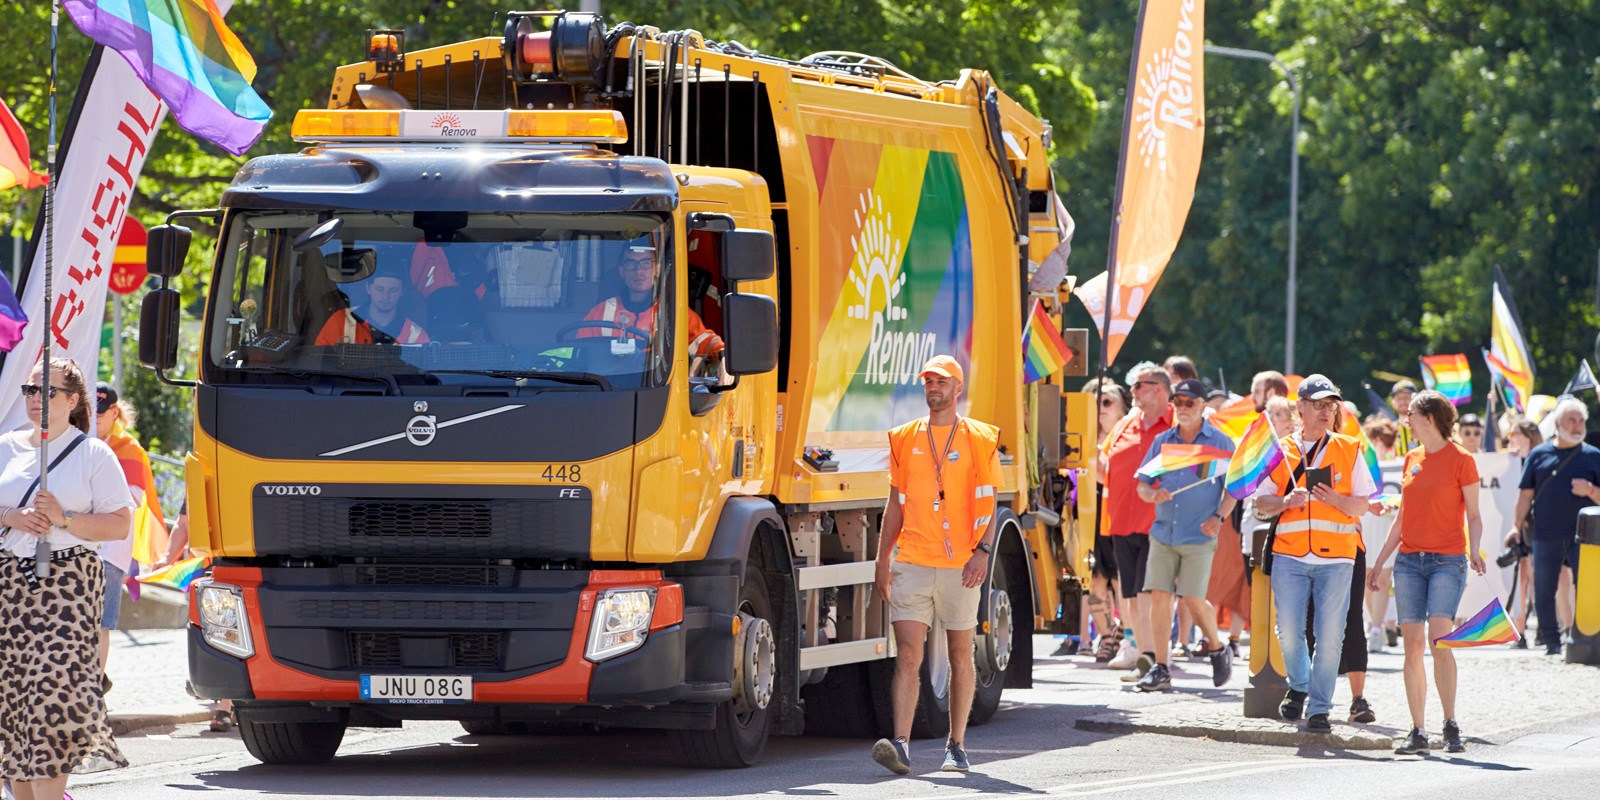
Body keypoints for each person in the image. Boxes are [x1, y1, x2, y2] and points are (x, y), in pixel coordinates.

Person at [0, 358, 135, 799]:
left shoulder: (94, 453)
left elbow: (118, 524)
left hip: (67, 587)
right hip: (7, 586)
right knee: (11, 700)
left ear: (73, 399)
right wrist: (11, 516)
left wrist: (65, 517)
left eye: (48, 391)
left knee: (52, 699)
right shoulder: (5, 446)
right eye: (31, 391)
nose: (37, 399)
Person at [872, 355, 1002, 775]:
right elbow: (894, 504)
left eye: (941, 381)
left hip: (960, 564)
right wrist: (881, 559)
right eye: (928, 381)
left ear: (957, 388)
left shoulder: (979, 439)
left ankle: (957, 744)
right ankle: (901, 743)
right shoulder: (904, 438)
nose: (933, 388)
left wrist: (983, 551)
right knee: (908, 654)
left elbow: (991, 501)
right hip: (911, 559)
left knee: (960, 653)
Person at [1252, 374, 1377, 734]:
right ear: (1301, 408)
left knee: (1330, 635)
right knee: (1288, 631)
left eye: (1331, 405)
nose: (1327, 411)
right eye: (1319, 405)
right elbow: (1261, 501)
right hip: (1290, 556)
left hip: (1337, 558)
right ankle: (1300, 685)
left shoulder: (1348, 448)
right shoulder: (1280, 450)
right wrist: (1285, 501)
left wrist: (1336, 499)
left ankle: (1319, 707)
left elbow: (1364, 505)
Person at [1369, 390, 1485, 754]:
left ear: (1430, 419)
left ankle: (1450, 723)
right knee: (1413, 646)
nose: (1406, 420)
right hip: (1408, 562)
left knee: (1439, 639)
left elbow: (1474, 515)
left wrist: (1473, 548)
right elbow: (1402, 517)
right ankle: (1417, 730)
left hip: (1447, 560)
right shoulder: (1411, 458)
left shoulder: (1462, 460)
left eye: (1412, 415)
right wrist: (1380, 561)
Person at [1133, 379, 1236, 691]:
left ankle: (1218, 647)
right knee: (1160, 597)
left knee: (1191, 599)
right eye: (1178, 402)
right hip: (1164, 532)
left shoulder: (1220, 443)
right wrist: (1152, 495)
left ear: (1203, 406)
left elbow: (1234, 488)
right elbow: (1142, 485)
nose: (1182, 407)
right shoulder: (1163, 441)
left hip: (1199, 534)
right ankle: (1161, 667)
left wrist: (1219, 517)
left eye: (1189, 402)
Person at [1506, 396, 1600, 656]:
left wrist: (1590, 490)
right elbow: (1525, 495)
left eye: (1581, 420)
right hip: (1545, 533)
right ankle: (1550, 641)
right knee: (1544, 588)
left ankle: (1585, 636)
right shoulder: (1539, 454)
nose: (1577, 425)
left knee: (1587, 588)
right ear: (1558, 424)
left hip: (1587, 538)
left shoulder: (1594, 456)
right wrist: (1515, 527)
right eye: (1571, 420)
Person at [1099, 364, 1174, 678]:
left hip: (1156, 523)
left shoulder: (1175, 424)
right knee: (1129, 597)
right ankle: (1144, 657)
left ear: (1158, 388)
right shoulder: (1126, 424)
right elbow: (1108, 465)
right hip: (1120, 521)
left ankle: (1155, 661)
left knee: (1147, 596)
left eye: (1138, 386)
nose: (1131, 392)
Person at [90, 383, 168, 680]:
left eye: (101, 411)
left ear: (114, 412)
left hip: (109, 549)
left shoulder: (129, 450)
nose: (95, 416)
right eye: (90, 410)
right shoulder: (76, 442)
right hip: (76, 543)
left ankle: (95, 686)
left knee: (102, 623)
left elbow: (131, 498)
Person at [580, 247, 723, 360]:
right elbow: (581, 353)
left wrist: (723, 357)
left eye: (646, 263)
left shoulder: (674, 313)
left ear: (658, 270)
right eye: (630, 263)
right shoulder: (600, 313)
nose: (639, 271)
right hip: (608, 390)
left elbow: (705, 342)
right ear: (621, 271)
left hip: (655, 391)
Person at [1083, 377, 1130, 663]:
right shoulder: (1083, 437)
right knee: (1095, 578)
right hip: (1089, 514)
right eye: (1094, 403)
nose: (1100, 408)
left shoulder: (1126, 436)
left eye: (1107, 402)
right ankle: (1106, 637)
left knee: (1120, 578)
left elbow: (1110, 475)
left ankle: (1125, 634)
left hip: (1118, 511)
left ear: (1121, 408)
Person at [1361, 415, 1401, 653]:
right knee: (1368, 578)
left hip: (1388, 524)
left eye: (1385, 441)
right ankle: (1372, 624)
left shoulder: (1399, 464)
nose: (1380, 446)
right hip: (1367, 521)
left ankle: (1377, 630)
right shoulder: (1364, 465)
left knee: (1383, 579)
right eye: (1376, 440)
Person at [1504, 417, 1543, 645]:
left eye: (1515, 433)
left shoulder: (1539, 459)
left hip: (1534, 522)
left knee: (1535, 576)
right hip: (1512, 523)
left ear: (1528, 436)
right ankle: (1519, 629)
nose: (1511, 438)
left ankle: (1539, 625)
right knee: (1519, 577)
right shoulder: (1508, 460)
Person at [315, 268, 430, 345]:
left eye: (393, 290)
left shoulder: (415, 335)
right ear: (368, 288)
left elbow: (423, 376)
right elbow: (320, 361)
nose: (386, 296)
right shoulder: (341, 320)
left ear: (402, 292)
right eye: (380, 289)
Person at [1390, 380, 1420, 454]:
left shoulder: (1427, 428)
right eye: (1399, 398)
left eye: (1406, 397)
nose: (1402, 402)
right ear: (1393, 403)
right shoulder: (1389, 431)